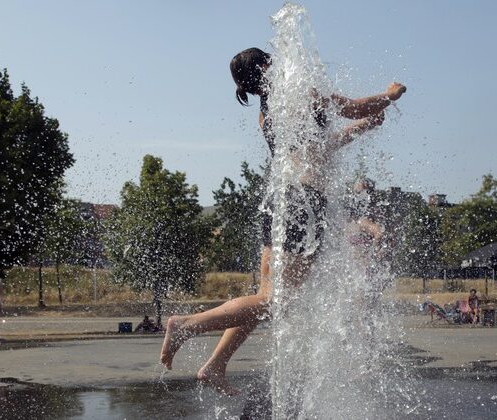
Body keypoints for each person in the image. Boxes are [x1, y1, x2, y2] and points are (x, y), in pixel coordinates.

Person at [160, 47, 407, 394]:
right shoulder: (299, 95)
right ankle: (186, 325)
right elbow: (351, 106)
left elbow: (318, 150)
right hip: (304, 205)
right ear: (265, 66)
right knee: (277, 301)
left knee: (264, 297)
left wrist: (365, 125)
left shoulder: (266, 115)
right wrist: (389, 96)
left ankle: (216, 364)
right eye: (273, 58)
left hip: (280, 201)